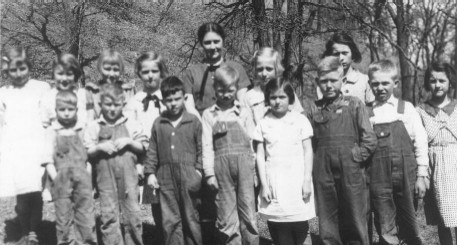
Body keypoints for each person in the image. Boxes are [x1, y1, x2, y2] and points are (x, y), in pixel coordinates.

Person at [307, 56, 377, 245]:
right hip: (323, 173)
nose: (328, 85)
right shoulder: (313, 110)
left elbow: (369, 139)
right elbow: (306, 142)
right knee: (328, 220)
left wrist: (355, 156)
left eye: (333, 80)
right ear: (317, 82)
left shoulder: (355, 104)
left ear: (343, 81)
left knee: (355, 216)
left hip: (352, 172)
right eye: (324, 81)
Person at [368, 59, 427, 245]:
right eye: (375, 83)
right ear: (370, 84)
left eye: (385, 83)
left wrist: (422, 175)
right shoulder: (367, 112)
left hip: (406, 174)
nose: (380, 87)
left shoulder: (406, 109)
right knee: (384, 217)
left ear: (395, 83)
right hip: (378, 176)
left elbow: (421, 142)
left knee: (408, 215)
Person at [253, 77, 315, 245]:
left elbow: (308, 151)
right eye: (273, 97)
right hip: (275, 183)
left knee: (301, 227)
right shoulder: (264, 123)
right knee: (281, 227)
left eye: (282, 97)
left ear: (290, 99)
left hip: (297, 182)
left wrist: (307, 180)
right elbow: (260, 155)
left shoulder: (300, 120)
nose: (277, 101)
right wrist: (264, 185)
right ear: (267, 99)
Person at [84, 83, 148, 245]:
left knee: (132, 216)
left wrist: (129, 142)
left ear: (123, 104)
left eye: (116, 105)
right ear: (101, 104)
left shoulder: (132, 124)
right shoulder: (94, 126)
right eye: (108, 104)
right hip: (105, 180)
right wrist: (99, 147)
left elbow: (143, 147)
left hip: (129, 179)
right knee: (109, 217)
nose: (112, 109)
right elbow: (87, 151)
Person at [202, 64, 259, 245]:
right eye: (221, 90)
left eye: (230, 90)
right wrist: (209, 173)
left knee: (248, 214)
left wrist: (255, 171)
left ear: (236, 89)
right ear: (215, 88)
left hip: (245, 168)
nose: (226, 94)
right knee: (226, 218)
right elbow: (207, 145)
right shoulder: (209, 115)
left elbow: (252, 142)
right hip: (221, 170)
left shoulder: (243, 112)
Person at [0, 46, 51, 245]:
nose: (19, 73)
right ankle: (24, 226)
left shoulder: (41, 88)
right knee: (22, 199)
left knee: (35, 194)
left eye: (22, 68)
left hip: (37, 149)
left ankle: (33, 231)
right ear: (6, 71)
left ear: (28, 66)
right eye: (13, 70)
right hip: (16, 150)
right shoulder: (3, 93)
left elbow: (48, 119)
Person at [145, 76, 203, 245]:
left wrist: (198, 172)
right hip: (165, 179)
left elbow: (202, 148)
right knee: (170, 221)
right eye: (169, 100)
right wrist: (150, 173)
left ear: (184, 98)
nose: (173, 103)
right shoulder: (158, 123)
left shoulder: (193, 121)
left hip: (189, 177)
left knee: (191, 219)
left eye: (177, 99)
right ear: (163, 101)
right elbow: (152, 150)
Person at [124, 51, 168, 243]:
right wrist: (142, 161)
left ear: (162, 72)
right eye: (145, 71)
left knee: (172, 202)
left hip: (169, 156)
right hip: (146, 155)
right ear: (139, 74)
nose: (150, 75)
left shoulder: (170, 97)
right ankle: (160, 235)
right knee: (156, 200)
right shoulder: (134, 101)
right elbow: (132, 130)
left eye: (154, 71)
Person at [44, 91, 97, 245]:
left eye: (70, 109)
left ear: (76, 110)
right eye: (62, 109)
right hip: (61, 181)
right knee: (64, 220)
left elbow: (89, 157)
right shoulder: (52, 132)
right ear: (55, 111)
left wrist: (88, 177)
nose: (66, 113)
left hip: (82, 181)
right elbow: (47, 160)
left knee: (86, 218)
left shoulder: (82, 129)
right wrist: (56, 179)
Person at [417, 62, 457, 245]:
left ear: (450, 82)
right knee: (443, 216)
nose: (438, 85)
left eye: (442, 80)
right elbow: (419, 143)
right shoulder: (421, 111)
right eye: (433, 81)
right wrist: (422, 172)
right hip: (436, 169)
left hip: (455, 164)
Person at [182, 22, 251, 115]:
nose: (212, 47)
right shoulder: (191, 72)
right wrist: (202, 124)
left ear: (223, 41)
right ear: (201, 44)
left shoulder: (236, 68)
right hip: (201, 124)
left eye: (216, 41)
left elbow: (243, 100)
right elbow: (189, 105)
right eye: (207, 43)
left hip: (233, 122)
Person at [241, 47, 304, 124]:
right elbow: (248, 127)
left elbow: (300, 119)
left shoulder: (286, 91)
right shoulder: (249, 97)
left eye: (269, 69)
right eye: (260, 69)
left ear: (276, 70)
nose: (264, 74)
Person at [322, 32, 374, 104]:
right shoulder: (325, 83)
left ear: (352, 53)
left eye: (345, 53)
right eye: (336, 54)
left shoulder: (365, 81)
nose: (341, 58)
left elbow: (374, 110)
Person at [44, 53, 91, 126]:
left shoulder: (82, 96)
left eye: (69, 74)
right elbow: (44, 125)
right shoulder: (48, 97)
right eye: (60, 74)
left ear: (75, 75)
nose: (64, 79)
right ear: (53, 75)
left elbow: (88, 123)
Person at [86, 49, 126, 119]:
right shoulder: (92, 90)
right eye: (107, 69)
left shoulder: (127, 90)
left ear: (121, 70)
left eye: (116, 70)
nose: (111, 74)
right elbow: (89, 116)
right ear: (100, 68)